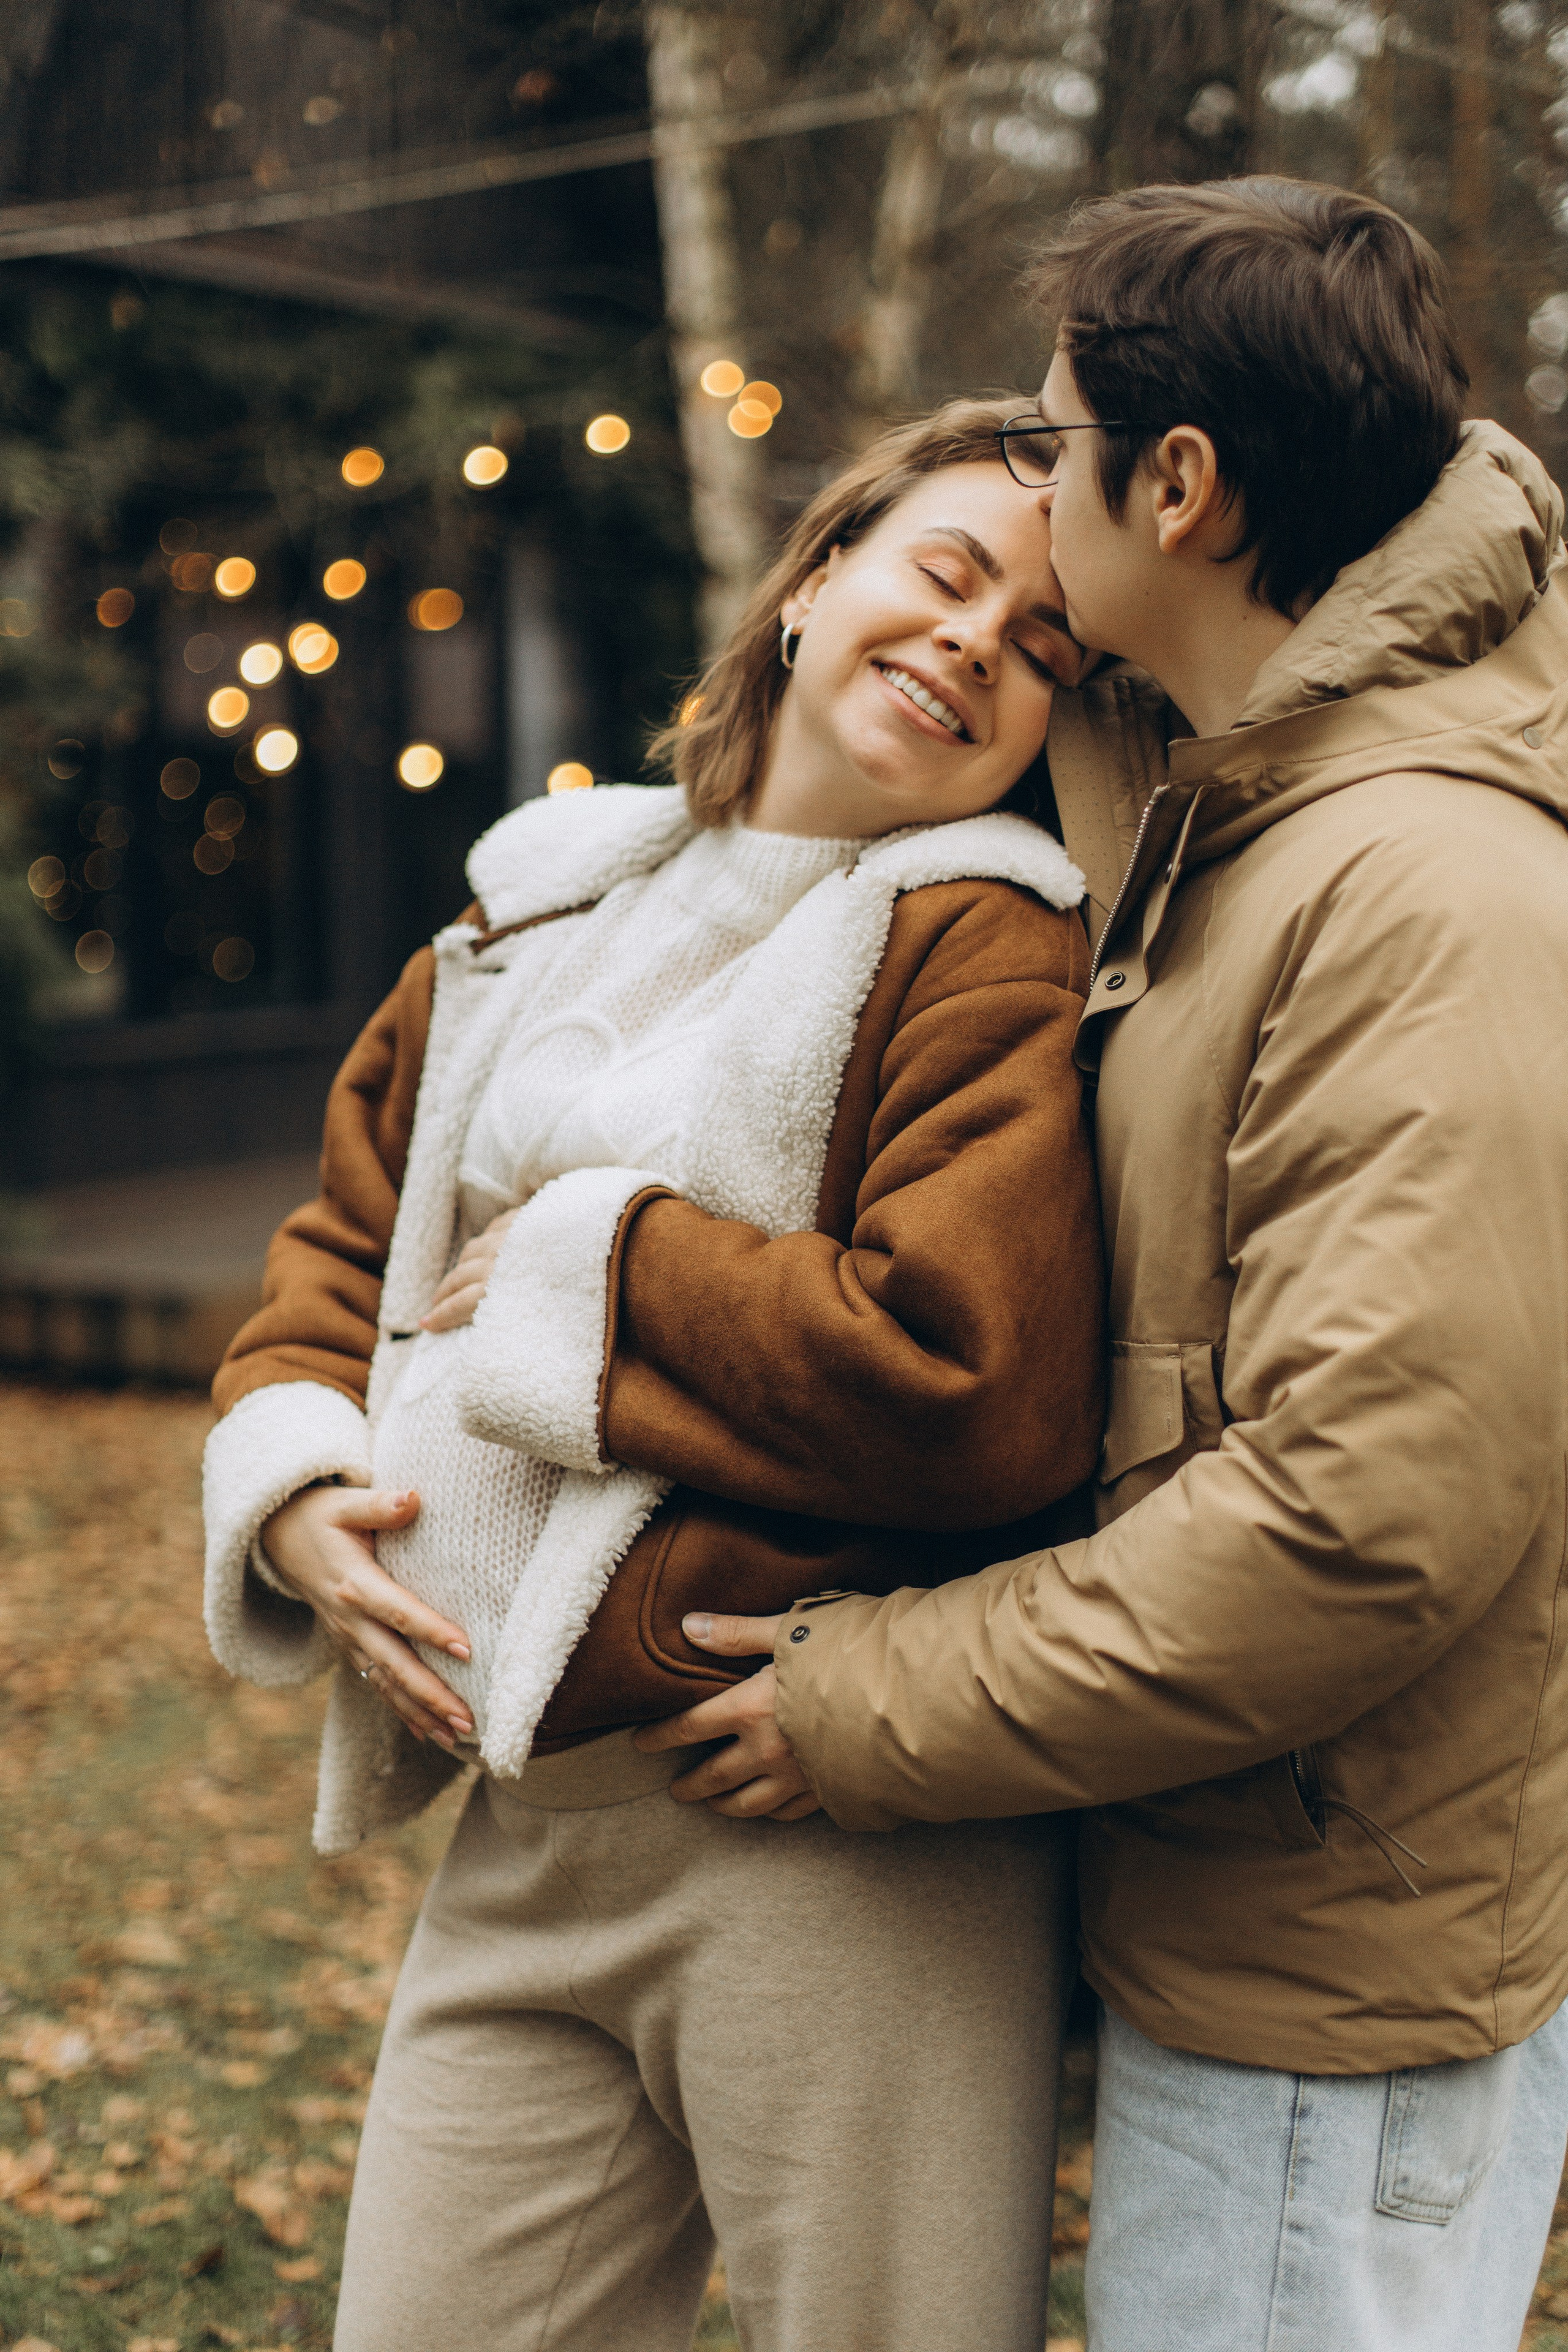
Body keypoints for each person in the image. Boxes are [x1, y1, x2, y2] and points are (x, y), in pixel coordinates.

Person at [660, 179, 1568, 2351]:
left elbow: (1358, 1518)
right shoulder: (1243, 809)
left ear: (1182, 486)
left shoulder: (1418, 891)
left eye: (1059, 450)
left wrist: (864, 1700)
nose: (1026, 497)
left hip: (1328, 1982)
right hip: (1245, 1907)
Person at [200, 398, 1106, 2352]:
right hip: (527, 1822)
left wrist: (583, 1263)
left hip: (823, 1840)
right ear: (813, 585)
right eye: (946, 575)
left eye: (1043, 646)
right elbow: (347, 1246)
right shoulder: (538, 896)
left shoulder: (988, 945)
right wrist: (288, 1492)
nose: (974, 643)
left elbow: (971, 1375)